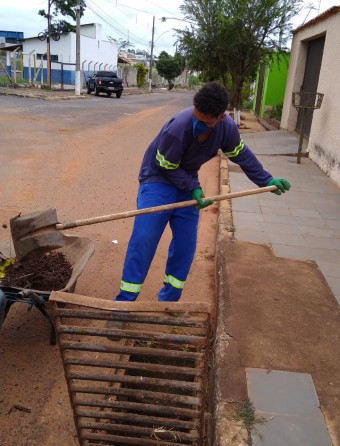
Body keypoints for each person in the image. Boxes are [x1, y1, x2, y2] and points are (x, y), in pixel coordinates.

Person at [115, 81, 290, 303]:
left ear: (221, 117)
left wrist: (266, 180)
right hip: (158, 180)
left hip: (187, 179)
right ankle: (124, 303)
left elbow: (242, 156)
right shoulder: (178, 128)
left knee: (185, 246)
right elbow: (165, 166)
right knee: (144, 240)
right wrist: (194, 187)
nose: (197, 124)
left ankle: (168, 303)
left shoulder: (227, 129)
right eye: (196, 118)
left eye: (204, 122)